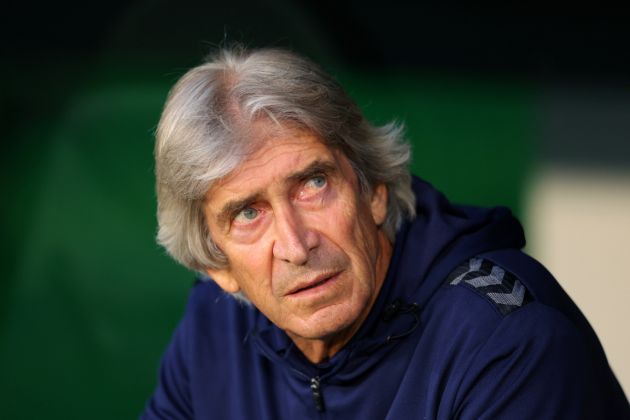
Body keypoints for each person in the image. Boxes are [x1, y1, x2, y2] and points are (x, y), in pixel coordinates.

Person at [142, 47, 629, 419]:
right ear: (216, 265)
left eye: (313, 184)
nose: (295, 246)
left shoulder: (508, 345)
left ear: (374, 189)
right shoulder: (212, 330)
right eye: (248, 214)